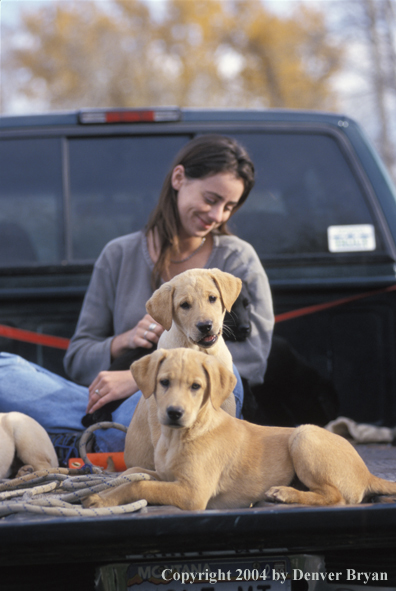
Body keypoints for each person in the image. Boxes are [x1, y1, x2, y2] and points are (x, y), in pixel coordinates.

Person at [0, 135, 274, 455]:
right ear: (179, 178)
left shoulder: (237, 260)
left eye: (229, 207)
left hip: (195, 403)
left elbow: (252, 360)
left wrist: (142, 379)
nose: (217, 215)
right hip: (109, 406)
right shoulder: (118, 254)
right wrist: (125, 340)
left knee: (222, 386)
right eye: (211, 199)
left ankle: (78, 442)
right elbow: (78, 359)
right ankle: (97, 439)